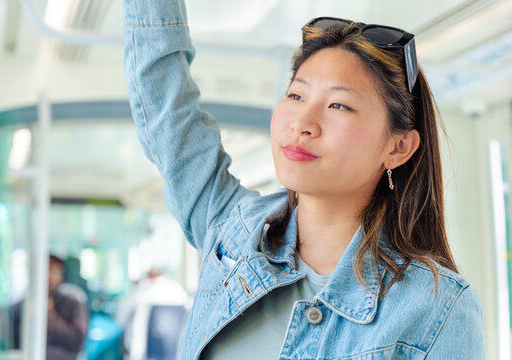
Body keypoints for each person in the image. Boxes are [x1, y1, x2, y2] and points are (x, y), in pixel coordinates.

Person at [122, 1, 486, 358]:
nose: (302, 122)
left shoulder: (438, 308)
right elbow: (166, 109)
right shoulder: (235, 233)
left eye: (338, 105)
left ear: (399, 146)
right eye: (296, 94)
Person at [116, 267, 188, 359]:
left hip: (143, 353)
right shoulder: (178, 290)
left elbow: (121, 319)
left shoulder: (142, 291)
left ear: (148, 277)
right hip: (177, 351)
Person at [47, 255, 89, 360]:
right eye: (46, 271)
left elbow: (77, 341)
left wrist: (50, 313)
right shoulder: (24, 305)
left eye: (54, 272)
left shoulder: (73, 304)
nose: (49, 277)